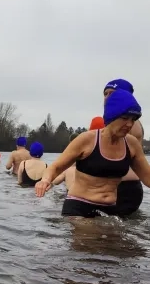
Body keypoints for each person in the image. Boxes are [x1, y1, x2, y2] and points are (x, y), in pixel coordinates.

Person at [35, 89, 150, 218]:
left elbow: (148, 178)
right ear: (111, 116)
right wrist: (44, 181)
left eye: (133, 119)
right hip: (79, 207)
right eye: (124, 118)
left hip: (110, 209)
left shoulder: (132, 144)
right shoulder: (86, 139)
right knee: (93, 234)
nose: (129, 124)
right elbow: (55, 167)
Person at [103, 79, 145, 216]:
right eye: (105, 93)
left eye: (112, 93)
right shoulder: (125, 121)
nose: (107, 97)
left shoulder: (126, 124)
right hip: (127, 186)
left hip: (124, 186)